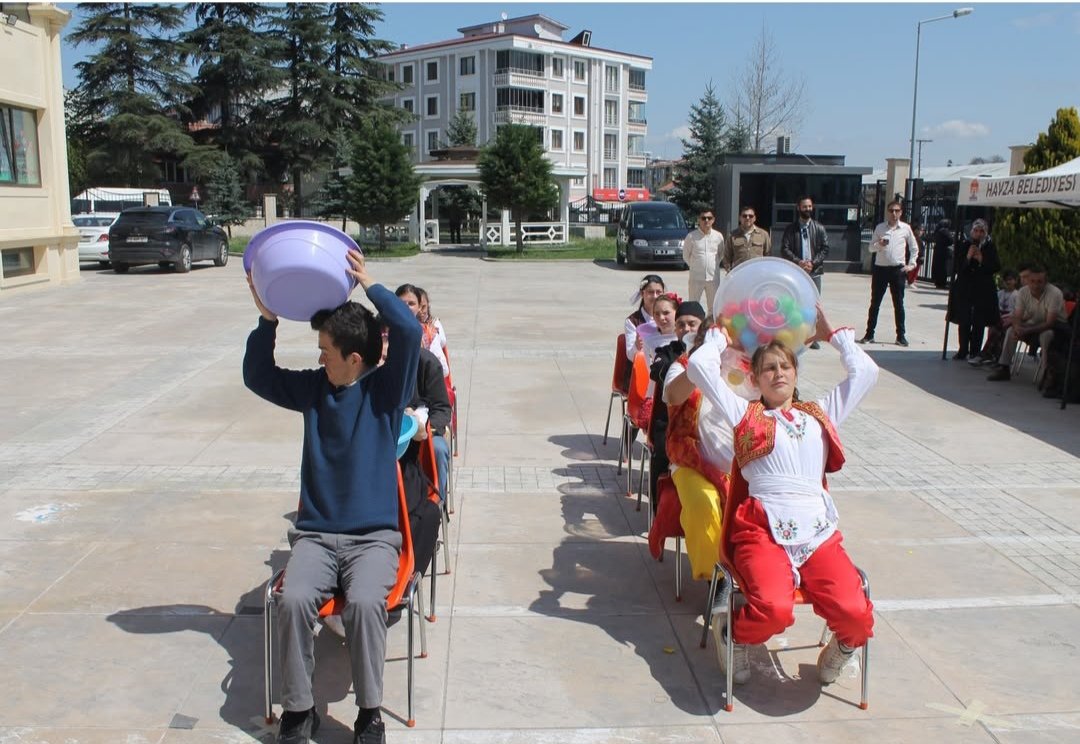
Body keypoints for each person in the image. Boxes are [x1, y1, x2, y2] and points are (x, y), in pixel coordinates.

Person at [244, 249, 420, 744]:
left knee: (365, 604)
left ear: (355, 358)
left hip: (374, 541)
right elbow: (257, 377)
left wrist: (371, 286)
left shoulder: (385, 392)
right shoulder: (314, 390)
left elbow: (406, 330)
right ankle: (299, 712)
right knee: (294, 598)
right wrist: (266, 321)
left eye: (326, 351)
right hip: (316, 539)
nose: (320, 359)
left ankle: (370, 713)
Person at [686, 306, 878, 686]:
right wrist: (720, 338)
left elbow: (866, 373)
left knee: (855, 613)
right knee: (774, 609)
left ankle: (842, 650)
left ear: (795, 373)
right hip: (761, 531)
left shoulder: (819, 414)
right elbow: (698, 369)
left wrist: (833, 336)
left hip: (817, 533)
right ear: (755, 379)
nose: (778, 373)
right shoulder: (744, 413)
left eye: (785, 366)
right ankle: (734, 635)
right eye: (769, 368)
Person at [661, 317, 737, 581]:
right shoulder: (682, 368)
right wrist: (702, 366)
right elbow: (672, 396)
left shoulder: (744, 372)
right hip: (691, 462)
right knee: (703, 504)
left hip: (740, 465)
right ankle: (718, 582)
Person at [647, 301, 707, 513]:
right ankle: (657, 509)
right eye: (680, 325)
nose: (686, 329)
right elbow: (657, 371)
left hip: (707, 421)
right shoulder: (668, 352)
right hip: (673, 421)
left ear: (704, 326)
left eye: (692, 323)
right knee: (662, 446)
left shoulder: (718, 353)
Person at [394, 284, 451, 503]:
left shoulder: (428, 364)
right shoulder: (379, 365)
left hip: (422, 431)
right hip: (391, 431)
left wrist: (425, 427)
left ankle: (434, 506)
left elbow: (442, 409)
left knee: (437, 450)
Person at [987, 264, 1065, 382]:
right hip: (1033, 324)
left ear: (1046, 282)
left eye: (1039, 282)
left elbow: (1050, 322)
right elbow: (1018, 315)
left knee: (1046, 336)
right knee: (1011, 331)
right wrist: (1018, 327)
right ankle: (1004, 367)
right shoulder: (1023, 292)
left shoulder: (1054, 293)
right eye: (1032, 281)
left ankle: (1046, 374)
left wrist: (1026, 330)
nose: (1035, 285)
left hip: (1055, 327)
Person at [858, 200, 918, 346]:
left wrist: (911, 264)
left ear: (901, 212)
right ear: (887, 212)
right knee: (875, 303)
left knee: (898, 303)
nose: (894, 213)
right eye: (891, 210)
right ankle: (869, 334)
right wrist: (879, 245)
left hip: (897, 270)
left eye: (897, 210)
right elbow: (870, 248)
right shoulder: (880, 228)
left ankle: (901, 336)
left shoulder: (905, 228)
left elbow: (914, 248)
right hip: (881, 269)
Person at [779, 196, 829, 348]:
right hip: (796, 272)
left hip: (814, 273)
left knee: (813, 307)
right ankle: (794, 335)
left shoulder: (819, 228)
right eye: (804, 206)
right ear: (798, 208)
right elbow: (784, 249)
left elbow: (825, 248)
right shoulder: (790, 229)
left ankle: (812, 338)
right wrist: (798, 262)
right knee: (795, 304)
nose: (807, 209)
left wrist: (813, 263)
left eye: (809, 206)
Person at [948, 219, 1000, 361]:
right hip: (965, 288)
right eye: (976, 231)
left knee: (979, 321)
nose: (978, 234)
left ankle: (975, 351)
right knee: (964, 320)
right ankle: (963, 349)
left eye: (981, 231)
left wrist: (981, 259)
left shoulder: (989, 247)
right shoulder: (964, 245)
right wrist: (968, 257)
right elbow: (957, 267)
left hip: (982, 289)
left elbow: (995, 266)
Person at [971, 269, 1020, 366]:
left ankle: (988, 353)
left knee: (999, 328)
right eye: (1006, 280)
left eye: (1010, 280)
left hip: (1009, 317)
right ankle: (991, 354)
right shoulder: (999, 293)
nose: (1008, 282)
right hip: (998, 315)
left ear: (1015, 281)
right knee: (995, 326)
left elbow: (1016, 311)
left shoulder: (1017, 295)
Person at [682, 210, 725, 316]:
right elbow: (686, 256)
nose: (706, 220)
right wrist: (696, 266)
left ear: (713, 220)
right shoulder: (691, 237)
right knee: (693, 305)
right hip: (696, 278)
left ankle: (711, 327)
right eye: (703, 218)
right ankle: (694, 328)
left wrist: (711, 265)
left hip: (713, 278)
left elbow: (720, 255)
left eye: (709, 218)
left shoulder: (718, 237)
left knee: (714, 306)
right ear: (699, 220)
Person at [624, 274, 666, 362]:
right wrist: (637, 345)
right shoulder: (632, 321)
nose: (655, 296)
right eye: (650, 292)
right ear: (643, 294)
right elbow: (630, 356)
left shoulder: (669, 317)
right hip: (641, 368)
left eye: (658, 292)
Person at [723, 205, 771, 271]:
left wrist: (765, 270)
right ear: (740, 218)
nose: (747, 218)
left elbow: (768, 255)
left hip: (758, 273)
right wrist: (730, 272)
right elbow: (726, 257)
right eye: (744, 216)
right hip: (739, 274)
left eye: (750, 216)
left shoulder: (763, 234)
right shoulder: (732, 235)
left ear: (754, 218)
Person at [931, 219, 954, 289]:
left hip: (938, 250)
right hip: (943, 251)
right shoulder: (945, 231)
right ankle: (942, 283)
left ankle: (937, 282)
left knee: (937, 266)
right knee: (943, 268)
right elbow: (951, 240)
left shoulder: (937, 231)